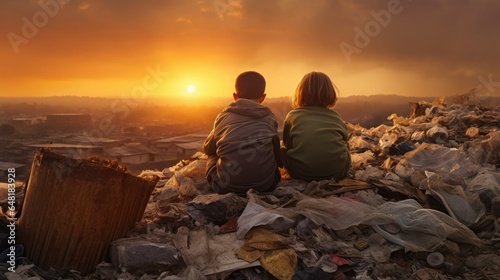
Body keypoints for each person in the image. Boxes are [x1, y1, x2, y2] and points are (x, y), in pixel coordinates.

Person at [203, 71, 282, 194]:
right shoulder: (270, 118)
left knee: (212, 156)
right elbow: (276, 152)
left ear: (235, 96)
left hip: (225, 187)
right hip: (266, 186)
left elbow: (208, 148)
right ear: (263, 97)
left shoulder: (223, 116)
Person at [281, 71, 351, 182]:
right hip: (336, 173)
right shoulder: (336, 116)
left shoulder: (292, 116)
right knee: (346, 145)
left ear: (300, 93)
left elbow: (288, 144)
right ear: (330, 93)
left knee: (283, 149)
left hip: (300, 173)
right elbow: (344, 140)